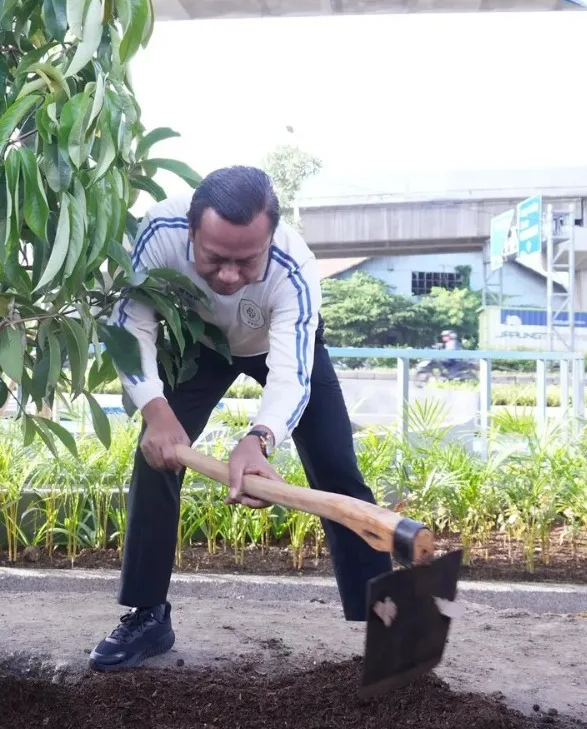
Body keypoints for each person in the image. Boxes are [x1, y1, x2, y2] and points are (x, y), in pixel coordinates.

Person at [88, 165, 393, 671]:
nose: (230, 276)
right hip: (200, 344)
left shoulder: (295, 267)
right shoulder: (156, 235)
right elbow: (130, 325)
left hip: (276, 344)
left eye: (246, 261)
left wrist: (260, 438)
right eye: (215, 259)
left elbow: (291, 374)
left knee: (338, 471)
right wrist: (155, 409)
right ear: (191, 229)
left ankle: (386, 625)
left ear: (270, 239)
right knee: (157, 456)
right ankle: (147, 615)